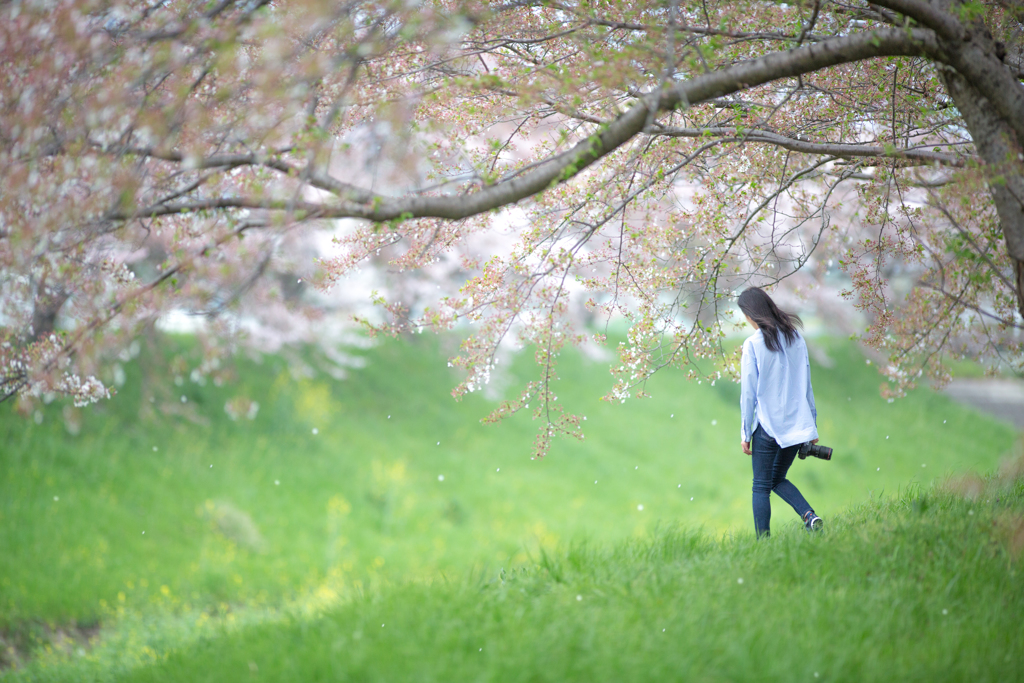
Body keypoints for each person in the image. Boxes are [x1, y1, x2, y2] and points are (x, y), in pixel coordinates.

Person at [738, 287, 823, 538]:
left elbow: (748, 393)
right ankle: (810, 517)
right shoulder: (795, 337)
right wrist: (812, 425)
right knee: (776, 478)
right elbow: (806, 383)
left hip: (768, 425)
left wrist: (745, 432)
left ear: (751, 314)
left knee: (761, 486)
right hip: (797, 423)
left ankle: (763, 544)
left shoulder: (753, 344)